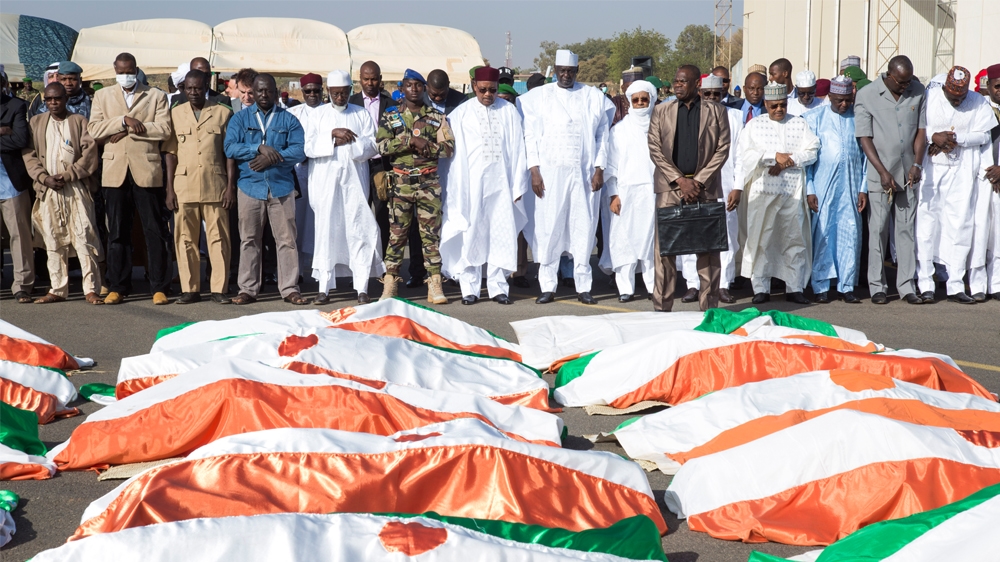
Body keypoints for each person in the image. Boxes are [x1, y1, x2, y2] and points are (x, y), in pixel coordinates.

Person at [517, 49, 615, 305]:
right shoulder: (538, 97)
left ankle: (584, 286)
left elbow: (602, 136)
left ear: (577, 71)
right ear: (556, 70)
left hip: (584, 176)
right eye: (562, 71)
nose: (566, 75)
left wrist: (599, 168)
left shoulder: (593, 97)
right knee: (550, 228)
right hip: (549, 176)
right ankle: (547, 286)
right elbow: (530, 137)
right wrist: (534, 171)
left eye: (571, 71)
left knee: (583, 228)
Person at [88, 52, 173, 305]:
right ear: (115, 70)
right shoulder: (102, 96)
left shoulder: (156, 95)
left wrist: (134, 129)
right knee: (117, 231)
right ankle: (118, 286)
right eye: (121, 71)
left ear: (136, 69)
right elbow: (94, 130)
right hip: (115, 174)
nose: (125, 75)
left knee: (154, 231)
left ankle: (159, 286)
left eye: (130, 70)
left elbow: (164, 129)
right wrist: (123, 122)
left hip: (147, 171)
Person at [440, 66, 527, 305]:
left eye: (492, 90)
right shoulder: (461, 114)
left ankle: (498, 287)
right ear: (473, 85)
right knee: (472, 233)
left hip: (502, 184)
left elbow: (519, 149)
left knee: (501, 234)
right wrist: (457, 189)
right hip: (472, 185)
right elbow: (454, 159)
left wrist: (518, 185)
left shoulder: (509, 111)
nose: (488, 95)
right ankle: (470, 287)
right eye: (482, 90)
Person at [647, 65, 731, 312]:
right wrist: (680, 181)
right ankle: (662, 307)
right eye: (676, 81)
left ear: (697, 84)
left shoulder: (716, 111)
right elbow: (655, 149)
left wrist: (699, 181)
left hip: (703, 190)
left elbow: (722, 149)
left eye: (683, 81)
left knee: (708, 251)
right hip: (670, 189)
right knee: (665, 251)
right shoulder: (661, 111)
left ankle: (709, 308)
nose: (678, 85)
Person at [224, 73, 308, 306]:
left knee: (287, 240)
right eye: (258, 91)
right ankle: (248, 289)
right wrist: (258, 148)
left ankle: (289, 288)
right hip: (250, 187)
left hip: (281, 188)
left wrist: (273, 158)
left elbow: (300, 150)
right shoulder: (239, 119)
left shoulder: (288, 120)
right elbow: (229, 147)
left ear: (275, 91)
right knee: (249, 239)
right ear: (252, 91)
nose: (263, 95)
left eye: (267, 91)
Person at [732, 81, 819, 305]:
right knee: (761, 238)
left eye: (782, 105)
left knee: (793, 239)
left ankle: (794, 286)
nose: (779, 110)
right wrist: (773, 155)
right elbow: (745, 156)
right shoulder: (754, 126)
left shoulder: (799, 124)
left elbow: (813, 149)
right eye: (774, 106)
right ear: (766, 104)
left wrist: (789, 160)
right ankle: (760, 288)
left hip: (792, 193)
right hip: (762, 193)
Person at [917, 66, 998, 305]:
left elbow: (984, 135)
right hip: (931, 168)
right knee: (926, 225)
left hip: (962, 171)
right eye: (953, 97)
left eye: (961, 98)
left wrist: (957, 139)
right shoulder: (930, 97)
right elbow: (918, 126)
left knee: (960, 225)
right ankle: (926, 283)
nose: (957, 101)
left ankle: (954, 284)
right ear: (945, 88)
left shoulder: (977, 102)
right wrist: (935, 136)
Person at [302, 70, 383, 305]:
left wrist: (352, 141)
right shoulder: (317, 115)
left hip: (354, 184)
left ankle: (362, 287)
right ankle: (324, 288)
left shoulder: (361, 113)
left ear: (350, 91)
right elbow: (307, 146)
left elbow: (372, 144)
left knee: (359, 229)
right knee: (326, 232)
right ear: (328, 92)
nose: (340, 97)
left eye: (344, 93)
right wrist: (332, 137)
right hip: (326, 184)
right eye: (335, 93)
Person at [375, 69, 455, 304]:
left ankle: (434, 283)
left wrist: (426, 146)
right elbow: (380, 146)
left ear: (424, 88)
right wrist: (408, 141)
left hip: (428, 184)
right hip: (400, 184)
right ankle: (390, 283)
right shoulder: (390, 115)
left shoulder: (436, 116)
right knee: (397, 235)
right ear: (403, 87)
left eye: (418, 86)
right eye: (409, 85)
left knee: (430, 236)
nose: (414, 89)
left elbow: (448, 148)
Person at [855, 55, 926, 305]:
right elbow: (864, 137)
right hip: (880, 175)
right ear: (889, 74)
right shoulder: (866, 94)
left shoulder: (918, 91)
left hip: (908, 175)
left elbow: (921, 131)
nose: (906, 86)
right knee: (878, 230)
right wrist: (883, 172)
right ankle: (877, 286)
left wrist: (917, 164)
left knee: (906, 230)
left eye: (909, 82)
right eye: (901, 82)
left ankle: (907, 286)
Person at [23, 82, 102, 304]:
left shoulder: (78, 121)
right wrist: (43, 177)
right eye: (48, 99)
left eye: (57, 99)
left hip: (75, 187)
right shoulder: (36, 123)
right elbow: (29, 155)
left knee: (84, 235)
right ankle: (57, 289)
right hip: (48, 189)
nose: (53, 103)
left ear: (66, 100)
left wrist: (68, 175)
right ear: (44, 101)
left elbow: (89, 154)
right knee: (52, 238)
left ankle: (91, 289)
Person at [162, 70, 236, 305]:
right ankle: (190, 289)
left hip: (216, 184)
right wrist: (169, 189)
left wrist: (230, 187)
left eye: (198, 88)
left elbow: (230, 154)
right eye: (189, 88)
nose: (193, 92)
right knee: (184, 239)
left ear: (206, 86)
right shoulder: (175, 114)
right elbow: (170, 153)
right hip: (184, 185)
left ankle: (219, 288)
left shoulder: (223, 113)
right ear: (183, 89)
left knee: (219, 238)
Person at [803, 75, 868, 304]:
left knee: (849, 232)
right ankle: (820, 285)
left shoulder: (858, 118)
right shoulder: (814, 118)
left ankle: (846, 285)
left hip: (851, 185)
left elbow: (866, 156)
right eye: (839, 100)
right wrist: (810, 189)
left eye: (847, 101)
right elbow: (807, 159)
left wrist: (864, 188)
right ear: (830, 96)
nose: (843, 105)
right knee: (823, 232)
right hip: (822, 185)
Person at [600, 80, 658, 302]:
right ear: (630, 102)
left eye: (645, 99)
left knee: (651, 242)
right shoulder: (619, 131)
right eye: (636, 100)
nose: (641, 103)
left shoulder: (660, 127)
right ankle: (626, 288)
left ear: (651, 100)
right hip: (625, 193)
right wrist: (613, 195)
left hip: (653, 192)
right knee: (623, 240)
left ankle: (653, 287)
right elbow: (611, 168)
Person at [697, 73, 743, 304]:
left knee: (727, 236)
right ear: (701, 94)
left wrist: (738, 186)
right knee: (695, 235)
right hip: (695, 187)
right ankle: (693, 284)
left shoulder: (735, 116)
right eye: (708, 94)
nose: (713, 97)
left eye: (717, 93)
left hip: (726, 185)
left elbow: (741, 155)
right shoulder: (690, 114)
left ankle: (723, 284)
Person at [348, 61, 397, 265]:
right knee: (358, 215)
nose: (370, 83)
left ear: (380, 79)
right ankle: (360, 264)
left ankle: (383, 264)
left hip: (382, 167)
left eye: (374, 78)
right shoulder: (351, 103)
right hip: (358, 166)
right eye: (366, 79)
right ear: (360, 79)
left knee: (382, 216)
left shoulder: (390, 104)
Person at [0, 70, 35, 303]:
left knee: (19, 236)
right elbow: (9, 139)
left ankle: (22, 284)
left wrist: (9, 133)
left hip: (10, 183)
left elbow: (20, 140)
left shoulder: (16, 105)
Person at [288, 73, 325, 273]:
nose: (312, 94)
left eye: (316, 91)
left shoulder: (329, 112)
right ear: (302, 92)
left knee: (320, 222)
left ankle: (322, 271)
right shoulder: (293, 113)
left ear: (322, 91)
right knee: (298, 222)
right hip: (299, 173)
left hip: (322, 172)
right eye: (308, 91)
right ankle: (297, 271)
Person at [978, 64, 1000, 300]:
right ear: (989, 86)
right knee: (980, 233)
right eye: (997, 86)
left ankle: (996, 284)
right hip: (981, 178)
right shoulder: (980, 108)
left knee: (999, 236)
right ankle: (977, 285)